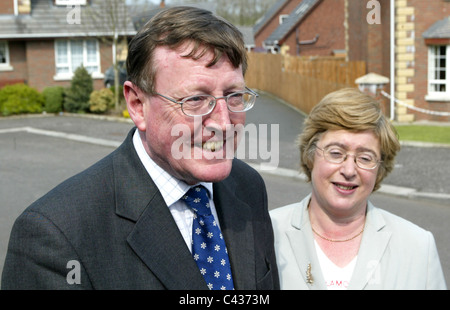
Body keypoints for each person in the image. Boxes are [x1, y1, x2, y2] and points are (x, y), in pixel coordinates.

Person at [2, 7, 279, 290]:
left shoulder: (248, 186)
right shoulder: (56, 236)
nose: (223, 122)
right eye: (196, 99)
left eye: (234, 96)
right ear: (137, 105)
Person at [270, 88, 447, 290]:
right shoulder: (265, 233)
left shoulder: (418, 247)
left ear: (380, 169)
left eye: (365, 158)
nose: (349, 170)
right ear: (310, 155)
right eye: (336, 153)